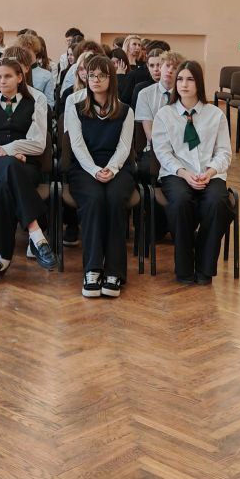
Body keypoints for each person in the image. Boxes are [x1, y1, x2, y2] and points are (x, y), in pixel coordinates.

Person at [0, 58, 55, 280]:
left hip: (25, 165)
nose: (2, 81)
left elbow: (39, 144)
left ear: (20, 78)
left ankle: (2, 259)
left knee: (6, 185)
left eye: (8, 76)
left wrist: (11, 149)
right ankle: (37, 233)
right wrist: (3, 153)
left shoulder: (35, 104)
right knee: (9, 166)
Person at [152, 60, 232, 285]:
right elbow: (163, 153)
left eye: (190, 79)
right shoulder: (164, 115)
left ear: (199, 83)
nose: (184, 84)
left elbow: (224, 152)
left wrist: (210, 172)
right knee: (180, 202)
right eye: (179, 79)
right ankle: (185, 267)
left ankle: (205, 267)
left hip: (210, 173)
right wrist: (185, 174)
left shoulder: (215, 114)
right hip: (176, 174)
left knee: (218, 202)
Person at [64, 54, 136, 298]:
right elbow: (77, 145)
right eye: (91, 75)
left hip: (118, 167)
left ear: (111, 79)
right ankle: (93, 269)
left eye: (101, 75)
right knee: (94, 200)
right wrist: (95, 170)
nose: (95, 79)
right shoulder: (76, 109)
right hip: (85, 168)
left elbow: (124, 147)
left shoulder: (125, 111)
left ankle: (114, 271)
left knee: (115, 200)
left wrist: (112, 169)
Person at [136, 50, 181, 143]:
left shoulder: (184, 95)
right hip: (155, 147)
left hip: (180, 146)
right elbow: (150, 134)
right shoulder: (145, 94)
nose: (170, 70)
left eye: (175, 68)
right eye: (167, 65)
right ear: (160, 67)